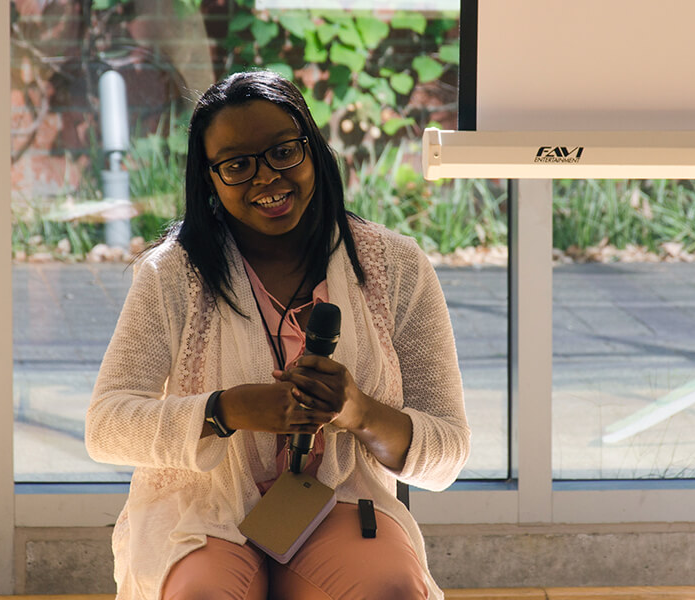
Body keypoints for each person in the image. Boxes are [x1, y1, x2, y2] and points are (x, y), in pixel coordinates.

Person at [85, 70, 470, 600]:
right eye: (237, 165)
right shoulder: (172, 273)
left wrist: (357, 411)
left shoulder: (396, 266)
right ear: (209, 179)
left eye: (284, 152)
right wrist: (227, 410)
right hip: (205, 509)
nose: (266, 178)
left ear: (313, 150)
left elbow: (447, 453)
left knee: (391, 590)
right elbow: (105, 427)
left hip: (335, 501)